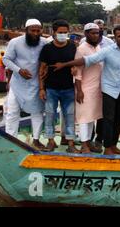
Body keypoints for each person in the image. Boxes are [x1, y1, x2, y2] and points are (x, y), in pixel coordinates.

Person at [53, 25, 120, 155]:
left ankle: (113, 145)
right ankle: (107, 148)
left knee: (118, 120)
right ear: (115, 38)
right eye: (119, 36)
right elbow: (86, 60)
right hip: (108, 90)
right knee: (108, 120)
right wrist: (65, 65)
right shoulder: (107, 51)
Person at [2, 19, 46, 149]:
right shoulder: (15, 42)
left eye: (38, 31)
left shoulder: (44, 43)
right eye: (33, 30)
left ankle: (36, 140)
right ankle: (11, 139)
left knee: (37, 112)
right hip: (17, 84)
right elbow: (6, 59)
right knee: (12, 112)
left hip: (36, 84)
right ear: (26, 30)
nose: (36, 33)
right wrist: (19, 70)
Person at [39, 19, 79, 153]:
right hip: (51, 88)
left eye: (65, 32)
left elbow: (76, 63)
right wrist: (41, 88)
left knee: (70, 116)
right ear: (54, 32)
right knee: (50, 115)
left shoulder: (73, 46)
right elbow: (42, 69)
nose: (63, 35)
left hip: (68, 88)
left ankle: (71, 143)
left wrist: (74, 68)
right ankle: (50, 141)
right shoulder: (47, 48)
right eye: (60, 32)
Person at [74, 23, 104, 154]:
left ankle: (88, 142)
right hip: (85, 89)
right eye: (92, 33)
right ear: (86, 34)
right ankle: (83, 144)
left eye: (97, 33)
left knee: (92, 117)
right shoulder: (81, 49)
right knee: (84, 118)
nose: (95, 35)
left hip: (97, 89)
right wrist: (79, 91)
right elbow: (78, 72)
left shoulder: (98, 48)